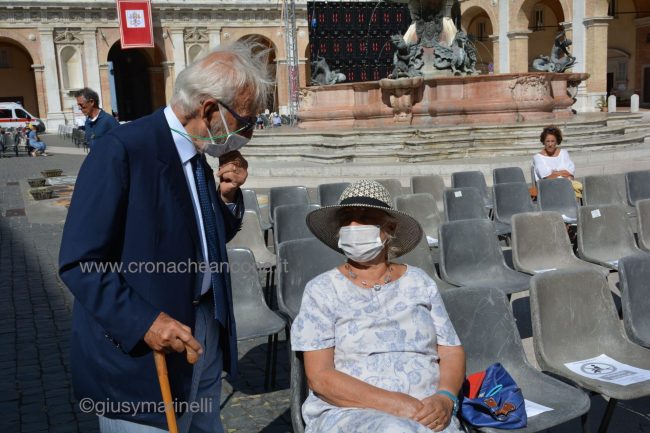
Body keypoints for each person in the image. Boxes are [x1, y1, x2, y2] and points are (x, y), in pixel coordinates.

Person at [59, 42, 272, 433]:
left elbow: (203, 241)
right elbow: (79, 262)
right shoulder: (122, 150)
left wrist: (226, 197)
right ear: (210, 110)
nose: (249, 134)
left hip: (203, 332)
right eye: (246, 121)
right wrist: (144, 321)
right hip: (142, 355)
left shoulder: (197, 153)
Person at [291, 180, 466, 433]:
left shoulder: (420, 282)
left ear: (389, 228)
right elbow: (320, 376)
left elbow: (450, 350)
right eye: (346, 219)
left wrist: (446, 397)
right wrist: (396, 405)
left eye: (365, 217)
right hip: (350, 412)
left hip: (429, 411)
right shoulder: (321, 290)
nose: (353, 226)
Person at [533, 125, 582, 197]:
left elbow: (570, 173)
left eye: (552, 141)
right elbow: (545, 178)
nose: (550, 144)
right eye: (547, 141)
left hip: (567, 189)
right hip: (548, 192)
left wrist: (554, 173)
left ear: (556, 142)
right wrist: (562, 173)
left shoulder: (564, 153)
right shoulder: (538, 157)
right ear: (543, 142)